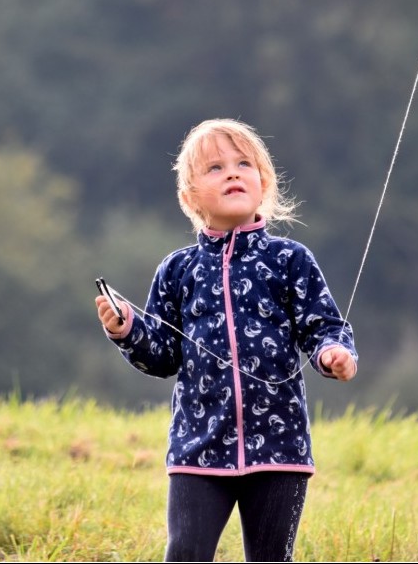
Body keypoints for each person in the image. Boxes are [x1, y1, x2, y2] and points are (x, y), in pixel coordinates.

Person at [95, 118, 358, 562]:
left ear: (264, 183)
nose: (233, 173)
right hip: (197, 447)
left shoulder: (290, 260)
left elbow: (323, 326)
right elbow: (161, 354)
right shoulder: (178, 270)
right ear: (190, 197)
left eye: (243, 164)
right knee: (185, 553)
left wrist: (334, 353)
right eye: (215, 168)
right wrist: (127, 329)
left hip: (280, 448)